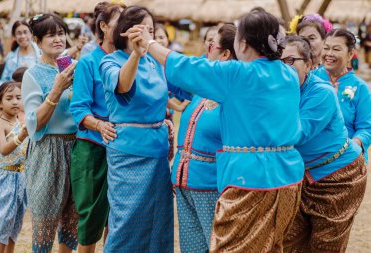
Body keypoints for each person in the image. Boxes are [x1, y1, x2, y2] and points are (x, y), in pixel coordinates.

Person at [124, 10, 305, 252]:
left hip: (251, 179)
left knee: (231, 247)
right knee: (271, 246)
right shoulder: (287, 73)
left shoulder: (238, 74)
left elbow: (185, 65)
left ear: (241, 43)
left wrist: (149, 43)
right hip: (289, 178)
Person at [280, 36, 367, 252]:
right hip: (301, 176)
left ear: (308, 64)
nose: (283, 67)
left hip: (338, 177)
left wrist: (357, 142)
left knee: (324, 246)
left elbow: (297, 134)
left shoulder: (323, 91)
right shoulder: (280, 88)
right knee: (290, 243)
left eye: (290, 61)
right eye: (279, 60)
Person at [99, 6, 173, 252]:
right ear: (127, 30)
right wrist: (136, 55)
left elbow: (174, 95)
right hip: (128, 152)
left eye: (152, 30)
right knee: (127, 220)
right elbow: (122, 84)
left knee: (158, 221)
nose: (149, 35)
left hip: (158, 150)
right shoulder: (110, 60)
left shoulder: (156, 62)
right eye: (144, 29)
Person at [173, 24, 236, 253]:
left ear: (226, 54)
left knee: (216, 246)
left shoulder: (233, 93)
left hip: (211, 185)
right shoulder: (202, 88)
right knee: (191, 248)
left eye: (211, 45)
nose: (206, 49)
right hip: (184, 181)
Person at [21, 13, 78, 253]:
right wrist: (55, 90)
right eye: (51, 34)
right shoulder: (31, 75)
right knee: (45, 226)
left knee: (72, 223)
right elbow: (33, 123)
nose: (58, 39)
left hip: (77, 149)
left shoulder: (73, 67)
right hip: (47, 151)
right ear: (36, 39)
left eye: (61, 33)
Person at [70, 3, 123, 252]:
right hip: (93, 149)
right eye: (119, 23)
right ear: (103, 26)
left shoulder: (129, 60)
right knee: (92, 219)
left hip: (124, 149)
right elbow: (79, 109)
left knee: (118, 220)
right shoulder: (88, 62)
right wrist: (100, 125)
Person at [315, 28, 371, 162]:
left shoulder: (361, 88)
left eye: (336, 49)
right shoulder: (310, 79)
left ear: (351, 54)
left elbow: (366, 128)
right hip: (312, 158)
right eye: (326, 48)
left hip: (346, 159)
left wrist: (349, 147)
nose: (329, 53)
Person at [0, 81, 28, 253]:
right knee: (3, 222)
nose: (15, 102)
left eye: (18, 98)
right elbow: (4, 149)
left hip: (21, 178)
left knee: (15, 224)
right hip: (4, 178)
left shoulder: (21, 121)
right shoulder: (0, 124)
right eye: (9, 98)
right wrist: (21, 136)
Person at [0, 20, 40, 87]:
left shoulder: (41, 51)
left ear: (31, 34)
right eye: (19, 33)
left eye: (25, 32)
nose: (23, 36)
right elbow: (4, 79)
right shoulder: (11, 56)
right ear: (14, 36)